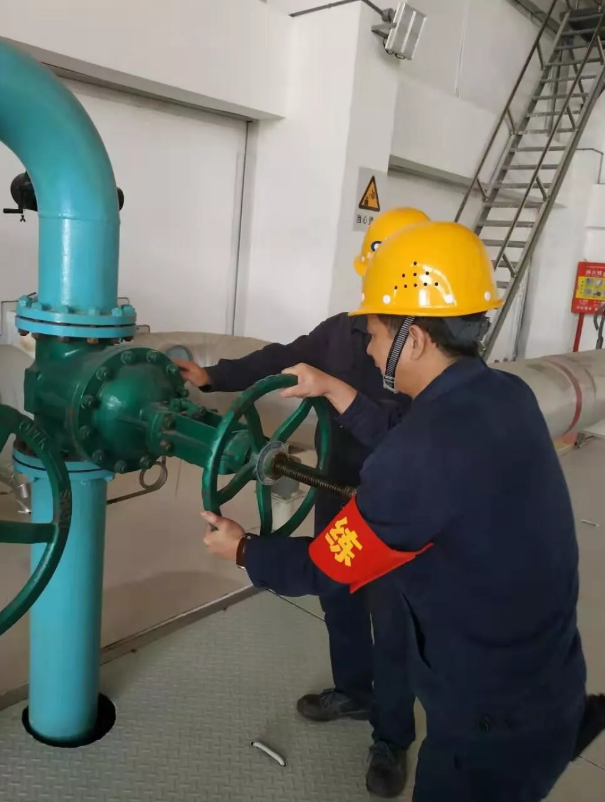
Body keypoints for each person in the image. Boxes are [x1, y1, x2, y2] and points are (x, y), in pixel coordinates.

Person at [200, 221, 591, 801]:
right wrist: (333, 388)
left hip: (488, 721)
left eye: (376, 334)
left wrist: (242, 549)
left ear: (415, 339)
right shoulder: (501, 394)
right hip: (546, 675)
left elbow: (329, 566)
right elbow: (403, 429)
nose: (368, 347)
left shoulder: (418, 458)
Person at [176, 208, 430, 798]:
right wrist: (213, 376)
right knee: (337, 593)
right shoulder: (343, 331)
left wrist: (339, 394)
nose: (373, 328)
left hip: (397, 506)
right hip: (335, 483)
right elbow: (281, 359)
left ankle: (392, 736)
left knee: (394, 620)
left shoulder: (430, 360)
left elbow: (411, 441)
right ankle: (354, 691)